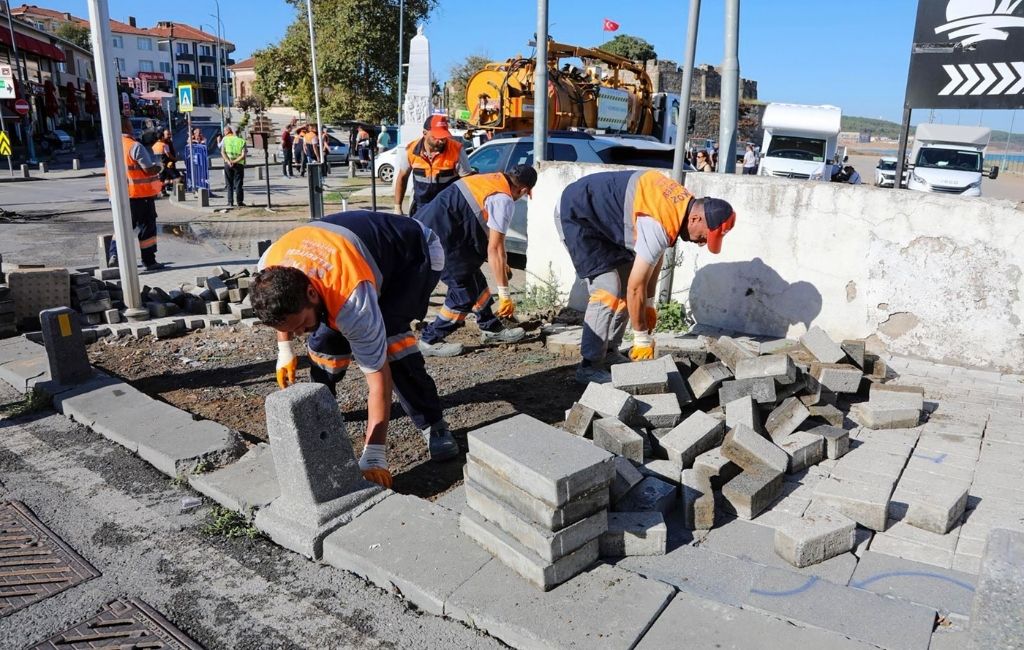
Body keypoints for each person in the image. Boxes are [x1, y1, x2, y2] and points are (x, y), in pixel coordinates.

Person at [250, 210, 460, 489]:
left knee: (391, 340)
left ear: (312, 294)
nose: (298, 333)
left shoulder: (351, 299)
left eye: (299, 324)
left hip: (412, 257)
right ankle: (323, 413)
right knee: (324, 340)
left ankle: (433, 424)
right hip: (354, 254)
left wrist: (375, 453)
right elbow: (282, 312)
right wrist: (284, 349)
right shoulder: (269, 268)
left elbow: (377, 377)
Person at [558, 170, 736, 384]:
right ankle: (589, 366)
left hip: (603, 218)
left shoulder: (679, 210)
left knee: (626, 285)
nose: (702, 242)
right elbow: (636, 288)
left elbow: (654, 259)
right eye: (705, 236)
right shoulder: (659, 223)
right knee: (608, 290)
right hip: (578, 214)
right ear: (696, 218)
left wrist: (649, 304)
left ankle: (610, 351)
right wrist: (641, 336)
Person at [414, 164, 536, 357]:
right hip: (439, 240)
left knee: (474, 277)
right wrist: (504, 293)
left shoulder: (488, 180)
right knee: (463, 293)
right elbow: (495, 248)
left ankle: (491, 328)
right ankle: (430, 339)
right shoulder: (503, 199)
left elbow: (482, 229)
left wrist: (501, 263)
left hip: (432, 229)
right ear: (522, 190)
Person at [106, 116, 167, 271]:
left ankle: (114, 255)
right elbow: (147, 169)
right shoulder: (134, 146)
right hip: (139, 196)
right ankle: (149, 261)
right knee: (147, 228)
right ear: (126, 127)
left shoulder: (111, 146)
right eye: (130, 124)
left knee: (122, 227)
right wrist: (159, 167)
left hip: (117, 196)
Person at [394, 115, 471, 217]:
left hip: (448, 208)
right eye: (436, 137)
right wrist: (397, 207)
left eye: (444, 136)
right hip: (420, 207)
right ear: (425, 133)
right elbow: (402, 177)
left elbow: (468, 182)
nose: (441, 140)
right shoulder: (411, 150)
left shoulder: (457, 150)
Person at [222, 127, 247, 207]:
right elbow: (243, 155)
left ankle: (230, 202)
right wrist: (234, 161)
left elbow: (223, 152)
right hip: (238, 164)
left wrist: (229, 161)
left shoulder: (225, 140)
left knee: (229, 183)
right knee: (238, 184)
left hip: (228, 164)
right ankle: (239, 202)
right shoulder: (242, 141)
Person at [151, 129, 179, 196]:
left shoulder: (154, 146)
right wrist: (175, 159)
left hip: (159, 165)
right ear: (162, 137)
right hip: (166, 164)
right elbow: (168, 154)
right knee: (177, 177)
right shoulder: (164, 145)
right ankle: (176, 192)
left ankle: (162, 191)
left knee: (162, 179)